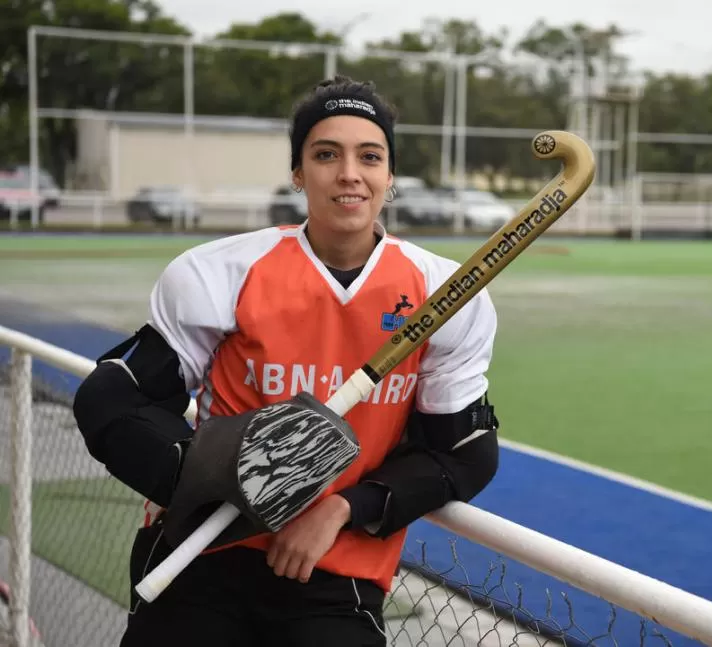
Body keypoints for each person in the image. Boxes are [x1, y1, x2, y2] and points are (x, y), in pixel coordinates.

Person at [72, 75, 501, 647]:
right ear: (299, 172)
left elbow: (463, 453)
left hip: (334, 567)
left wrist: (344, 509)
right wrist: (209, 481)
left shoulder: (444, 292)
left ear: (389, 175)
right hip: (203, 552)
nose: (349, 173)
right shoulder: (219, 272)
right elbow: (116, 399)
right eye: (326, 154)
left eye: (369, 156)